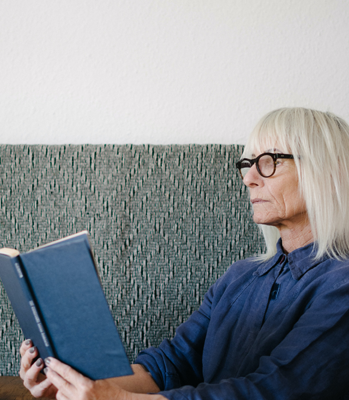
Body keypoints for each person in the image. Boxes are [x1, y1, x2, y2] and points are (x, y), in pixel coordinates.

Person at [19, 107, 349, 399]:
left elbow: (275, 389)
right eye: (248, 164)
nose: (248, 178)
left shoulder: (341, 285)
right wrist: (72, 382)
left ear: (328, 173)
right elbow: (172, 362)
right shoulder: (240, 277)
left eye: (268, 163)